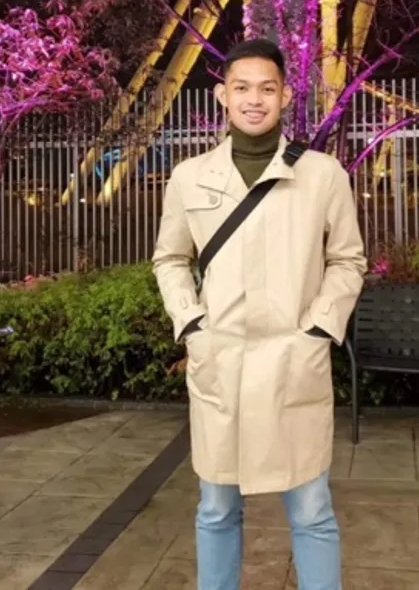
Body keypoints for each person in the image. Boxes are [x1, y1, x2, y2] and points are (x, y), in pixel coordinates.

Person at [152, 38, 367, 590]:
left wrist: (319, 328)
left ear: (285, 96)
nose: (254, 100)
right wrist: (191, 324)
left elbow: (347, 260)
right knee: (216, 507)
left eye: (267, 89)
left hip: (294, 360)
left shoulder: (322, 174)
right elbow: (170, 259)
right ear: (222, 96)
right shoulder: (190, 176)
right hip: (220, 361)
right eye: (242, 88)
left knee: (313, 508)